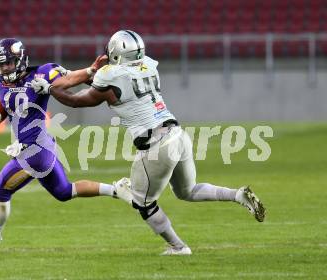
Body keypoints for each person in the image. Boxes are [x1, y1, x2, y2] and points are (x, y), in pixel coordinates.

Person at [31, 30, 266, 256]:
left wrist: (50, 88)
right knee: (188, 191)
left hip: (156, 145)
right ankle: (236, 195)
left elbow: (75, 101)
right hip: (177, 134)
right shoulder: (149, 66)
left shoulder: (110, 77)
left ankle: (178, 247)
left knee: (143, 203)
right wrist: (93, 72)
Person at [0, 38, 132, 252]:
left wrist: (90, 70)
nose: (4, 69)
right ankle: (116, 189)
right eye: (0, 64)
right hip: (38, 148)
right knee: (63, 191)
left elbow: (66, 80)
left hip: (35, 150)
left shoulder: (41, 74)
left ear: (20, 60)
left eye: (8, 63)